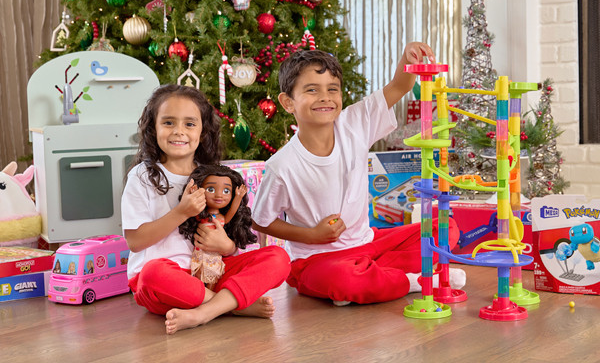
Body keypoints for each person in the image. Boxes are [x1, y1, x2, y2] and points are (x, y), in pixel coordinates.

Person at [252, 46, 465, 306]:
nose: (325, 97)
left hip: (370, 244)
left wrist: (409, 57)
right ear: (287, 102)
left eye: (332, 89)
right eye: (311, 90)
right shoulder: (282, 165)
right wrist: (312, 236)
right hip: (316, 261)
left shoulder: (354, 123)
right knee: (344, 279)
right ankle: (417, 281)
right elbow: (261, 221)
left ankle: (372, 278)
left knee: (445, 228)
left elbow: (398, 87)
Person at [122, 85, 290, 334]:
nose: (179, 131)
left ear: (202, 132)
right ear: (153, 128)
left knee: (279, 258)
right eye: (168, 122)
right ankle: (232, 306)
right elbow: (135, 242)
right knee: (152, 274)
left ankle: (205, 311)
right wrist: (181, 212)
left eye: (189, 124)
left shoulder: (214, 175)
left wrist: (228, 247)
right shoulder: (143, 176)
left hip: (212, 272)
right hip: (167, 280)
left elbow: (228, 231)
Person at [178, 164, 252, 290]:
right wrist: (193, 194)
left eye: (226, 191)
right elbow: (193, 211)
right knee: (199, 275)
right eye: (211, 189)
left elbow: (231, 214)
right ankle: (202, 294)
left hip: (216, 255)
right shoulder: (202, 216)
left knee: (214, 275)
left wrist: (238, 197)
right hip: (201, 252)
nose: (219, 195)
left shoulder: (222, 218)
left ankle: (211, 296)